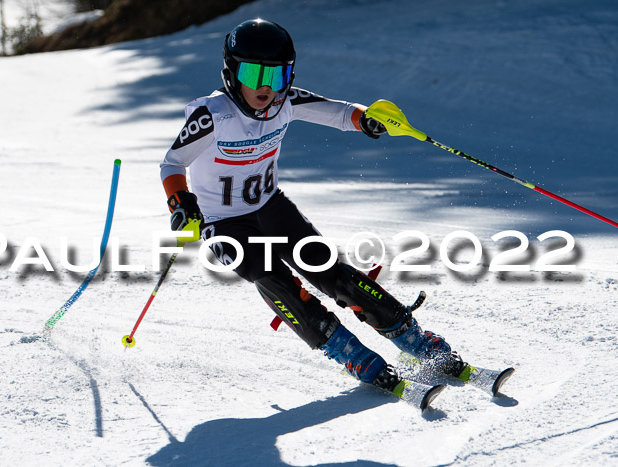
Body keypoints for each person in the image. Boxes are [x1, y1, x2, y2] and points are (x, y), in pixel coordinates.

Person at [159, 18, 466, 392]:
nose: (263, 87)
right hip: (224, 222)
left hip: (271, 207)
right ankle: (350, 353)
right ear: (231, 72)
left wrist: (368, 119)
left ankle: (417, 342)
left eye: (276, 76)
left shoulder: (285, 102)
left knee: (329, 272)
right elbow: (173, 163)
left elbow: (338, 112)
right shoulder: (212, 115)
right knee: (270, 276)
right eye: (253, 73)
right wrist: (181, 202)